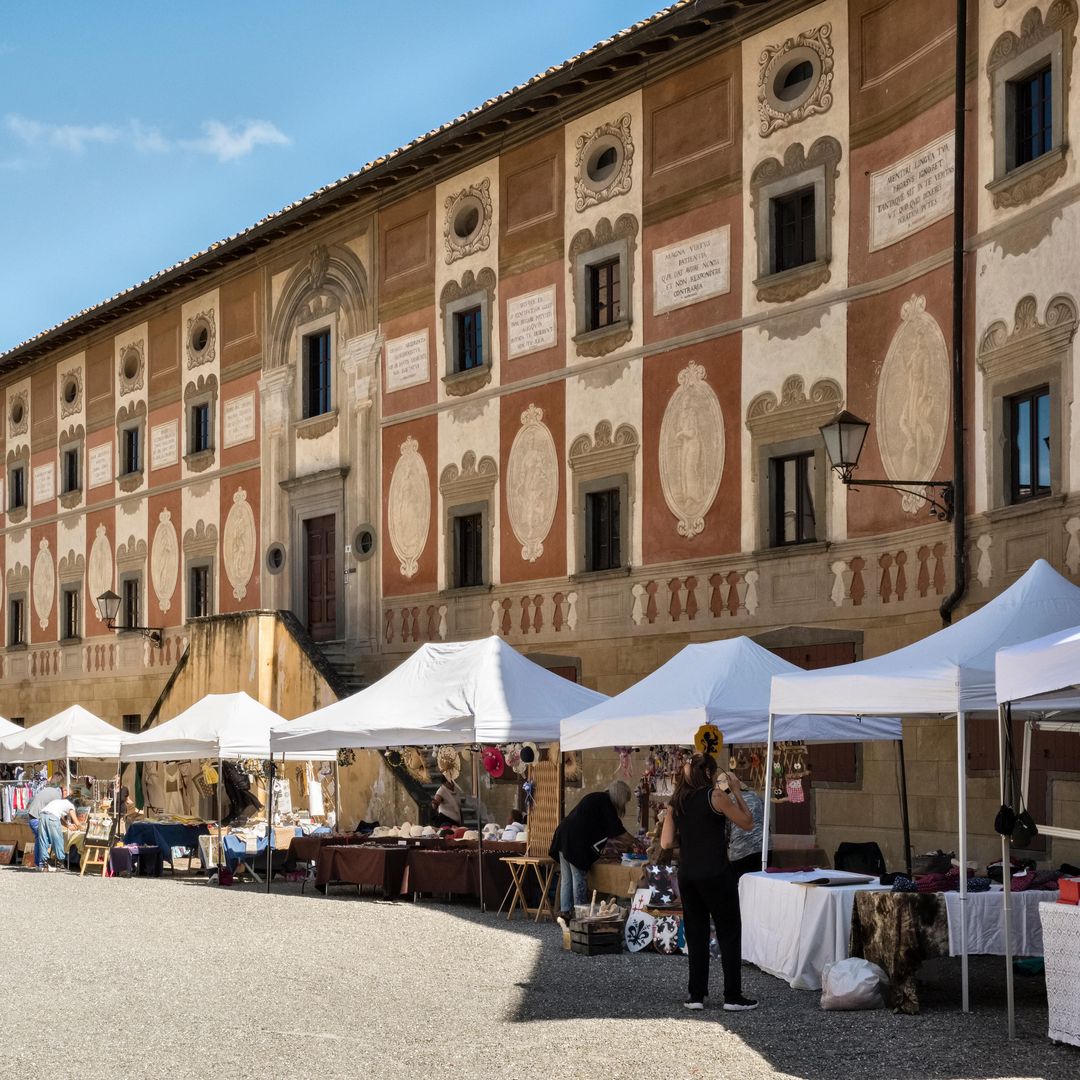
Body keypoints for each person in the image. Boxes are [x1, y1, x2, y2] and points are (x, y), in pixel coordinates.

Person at [660, 754, 758, 1012]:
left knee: (696, 932)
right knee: (728, 930)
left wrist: (691, 837)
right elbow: (747, 823)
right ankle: (732, 995)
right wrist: (736, 791)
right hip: (715, 872)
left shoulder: (676, 801)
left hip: (688, 874)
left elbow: (666, 843)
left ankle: (696, 995)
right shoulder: (715, 796)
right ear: (710, 773)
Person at [550, 780, 635, 919]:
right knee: (578, 878)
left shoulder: (598, 798)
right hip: (574, 841)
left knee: (567, 878)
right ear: (620, 796)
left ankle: (565, 912)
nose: (624, 805)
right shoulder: (606, 803)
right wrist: (636, 842)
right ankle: (580, 915)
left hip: (563, 835)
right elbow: (618, 831)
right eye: (625, 801)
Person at [727, 787, 769, 879]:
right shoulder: (756, 795)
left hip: (740, 851)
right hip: (764, 847)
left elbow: (725, 830)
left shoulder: (726, 800)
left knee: (742, 888)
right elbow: (767, 819)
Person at [37, 791, 84, 872]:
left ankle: (44, 865)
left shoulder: (58, 801)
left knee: (43, 840)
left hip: (42, 816)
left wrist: (68, 826)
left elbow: (58, 817)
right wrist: (83, 828)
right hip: (52, 818)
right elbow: (76, 821)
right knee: (57, 839)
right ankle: (60, 864)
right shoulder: (70, 805)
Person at [25, 782, 64, 869]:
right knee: (43, 840)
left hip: (32, 817)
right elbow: (57, 813)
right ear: (63, 790)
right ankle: (42, 864)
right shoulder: (57, 795)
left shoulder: (47, 790)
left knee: (39, 840)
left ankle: (38, 864)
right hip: (37, 818)